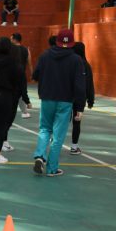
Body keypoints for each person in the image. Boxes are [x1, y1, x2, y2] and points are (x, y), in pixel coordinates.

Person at [31, 29, 86, 177]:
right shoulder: (76, 60)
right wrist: (79, 107)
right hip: (65, 101)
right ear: (72, 43)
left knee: (44, 129)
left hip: (47, 98)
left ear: (57, 41)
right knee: (58, 135)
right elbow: (80, 85)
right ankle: (52, 168)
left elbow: (35, 75)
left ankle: (39, 156)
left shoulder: (45, 55)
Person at [70, 42, 95, 155]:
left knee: (62, 121)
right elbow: (89, 84)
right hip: (79, 99)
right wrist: (90, 100)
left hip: (67, 97)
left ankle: (54, 141)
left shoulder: (70, 62)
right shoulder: (86, 65)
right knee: (76, 122)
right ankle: (74, 147)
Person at [10, 33, 33, 118]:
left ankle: (23, 111)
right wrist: (32, 74)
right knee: (21, 92)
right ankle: (25, 110)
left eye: (11, 39)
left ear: (15, 39)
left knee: (14, 93)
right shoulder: (26, 50)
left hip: (11, 75)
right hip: (21, 74)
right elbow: (29, 63)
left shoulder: (9, 49)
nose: (10, 40)